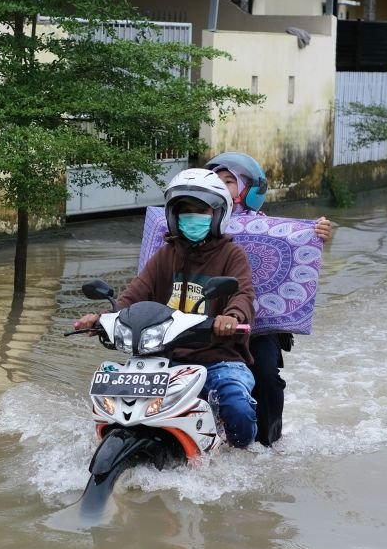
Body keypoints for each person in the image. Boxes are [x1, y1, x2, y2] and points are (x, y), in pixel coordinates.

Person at [74, 168, 260, 448]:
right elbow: (134, 295)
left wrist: (231, 317)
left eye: (201, 210)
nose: (191, 217)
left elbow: (243, 294)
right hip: (165, 359)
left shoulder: (232, 255)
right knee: (116, 404)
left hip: (219, 358)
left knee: (237, 408)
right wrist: (103, 319)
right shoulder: (166, 255)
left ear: (219, 214)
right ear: (173, 216)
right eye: (184, 210)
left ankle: (241, 456)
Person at [203, 151, 333, 447]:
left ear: (248, 190)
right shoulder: (193, 224)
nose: (222, 187)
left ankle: (268, 443)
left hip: (261, 324)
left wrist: (318, 233)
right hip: (207, 322)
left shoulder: (271, 229)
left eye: (229, 181)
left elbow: (302, 246)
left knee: (265, 376)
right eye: (216, 181)